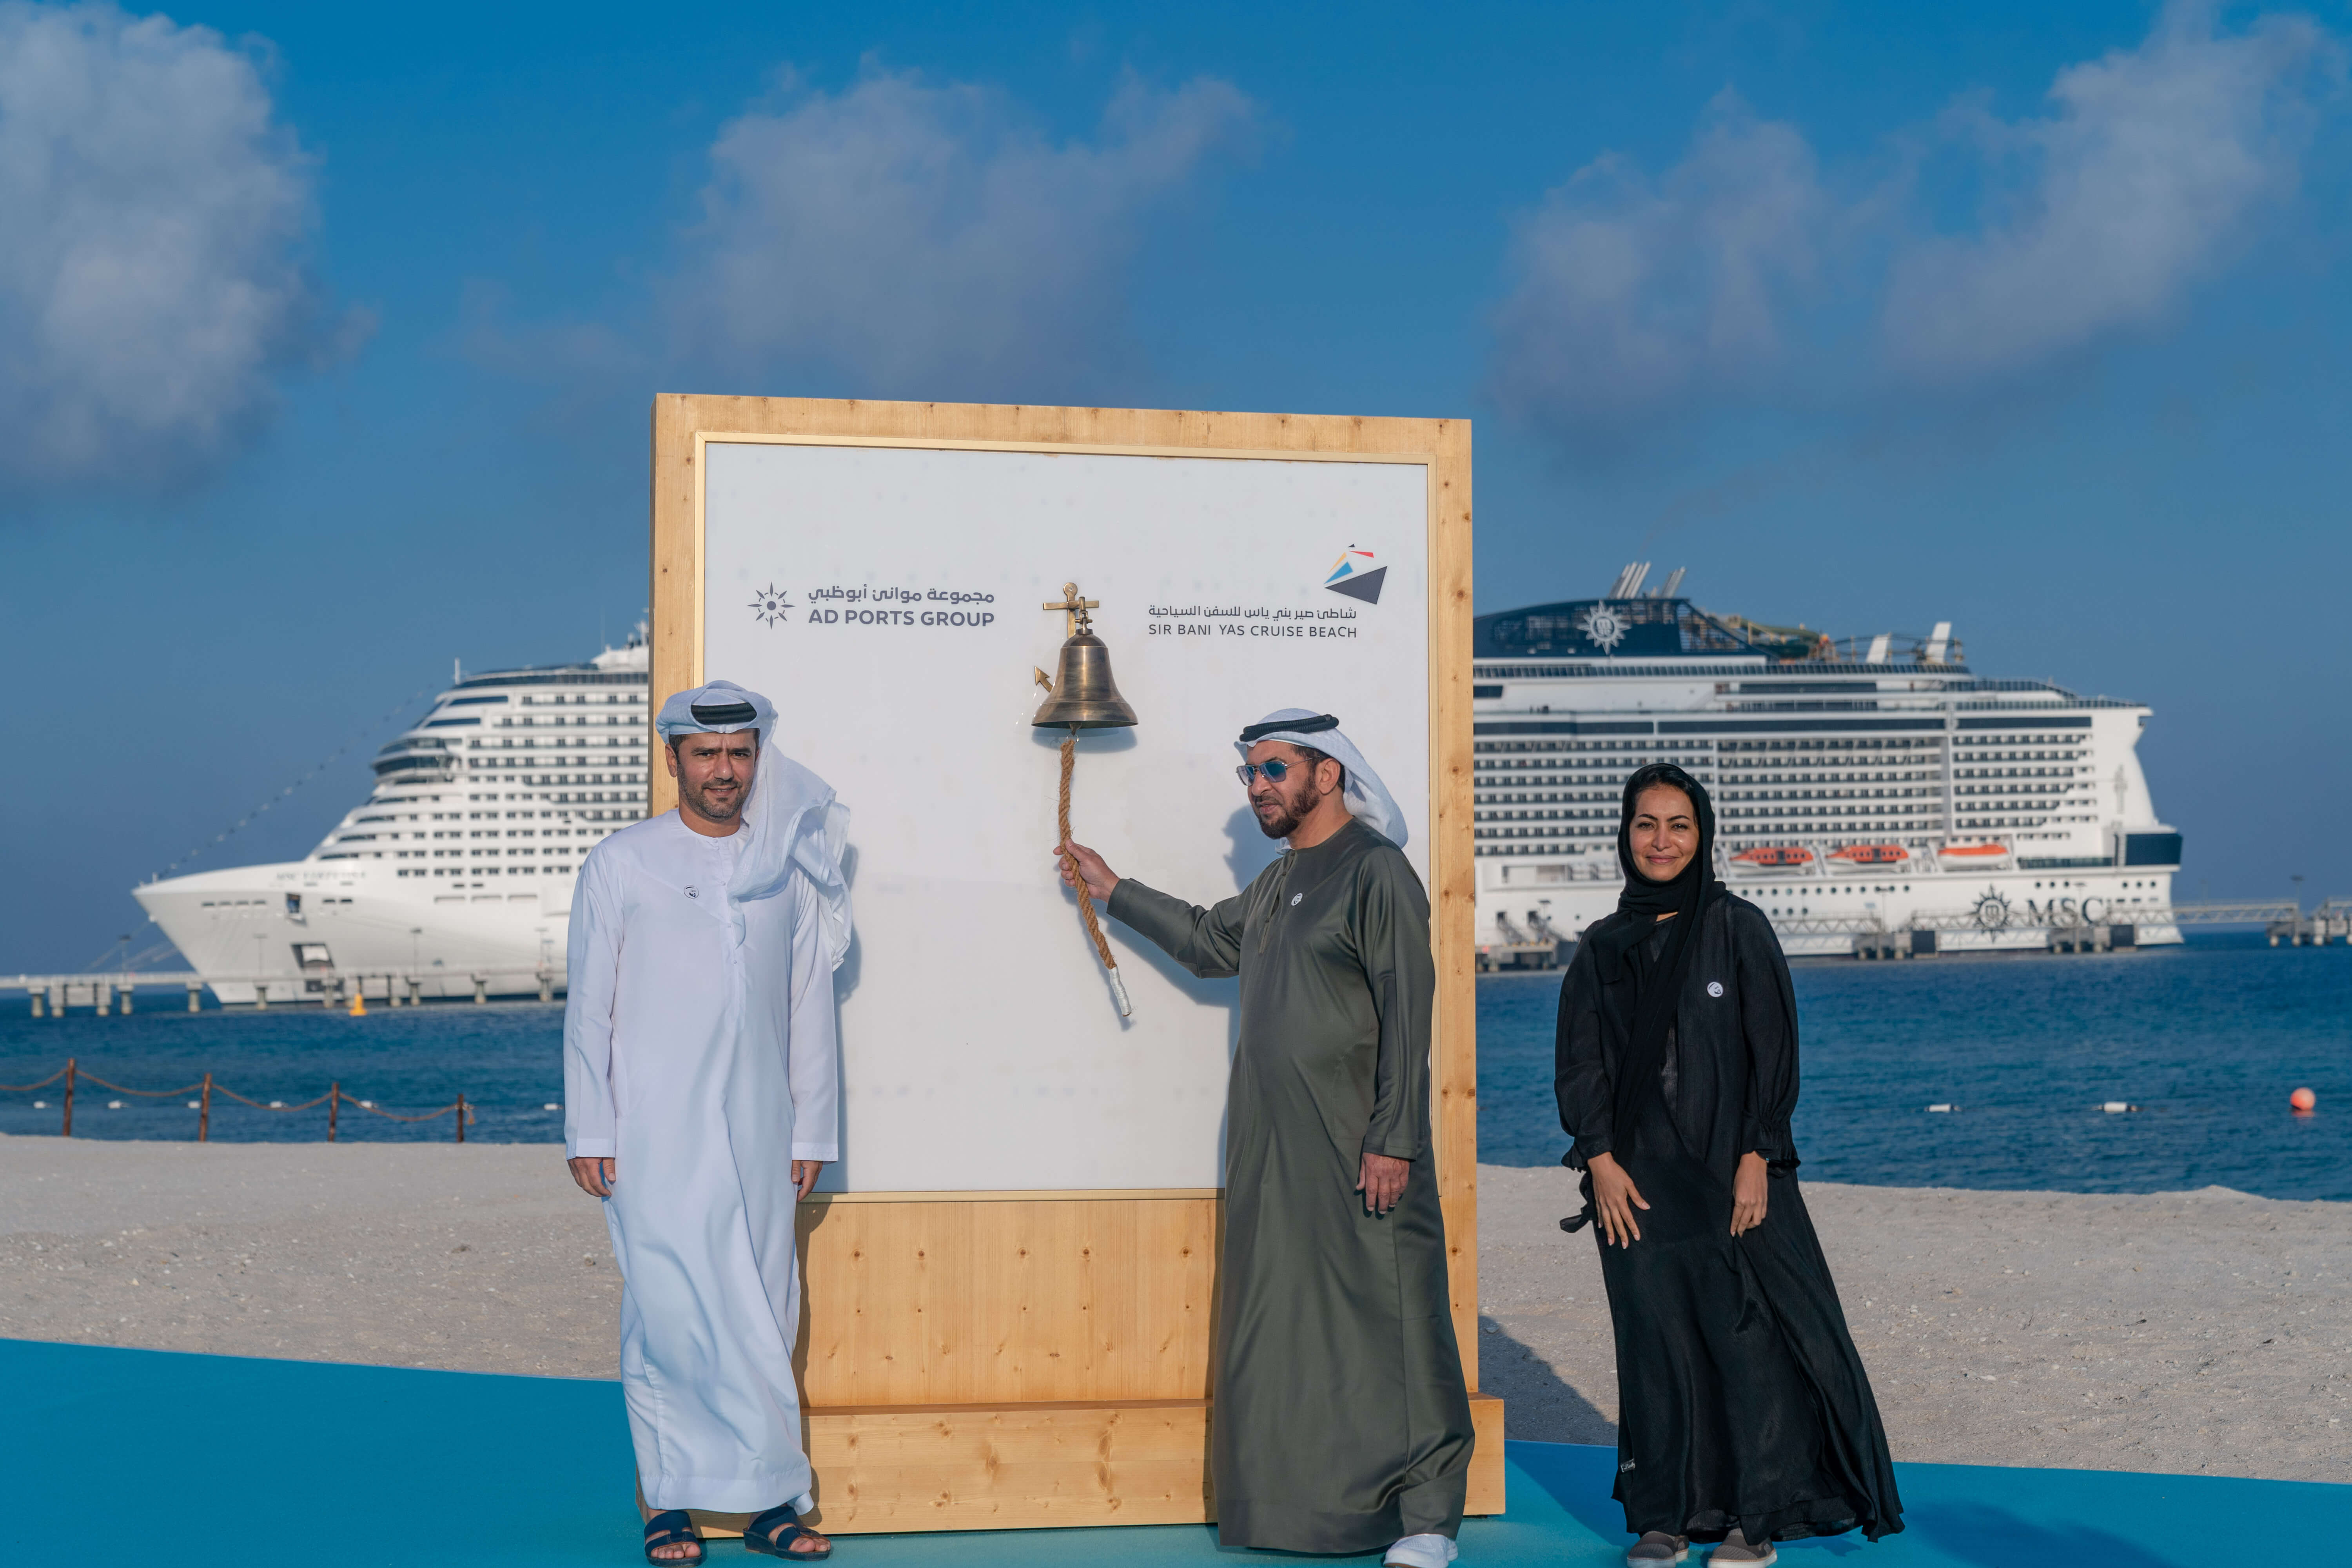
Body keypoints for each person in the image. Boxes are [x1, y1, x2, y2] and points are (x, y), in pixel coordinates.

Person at [1056, 708, 1474, 1568]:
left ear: (1327, 774)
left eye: (1273, 771)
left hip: (1361, 1142)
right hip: (1273, 1145)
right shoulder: (1285, 878)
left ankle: (1427, 1516)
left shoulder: (1377, 871)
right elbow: (1214, 942)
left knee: (1394, 1319)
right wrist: (1112, 887)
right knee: (1291, 1326)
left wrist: (1394, 1135)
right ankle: (1310, 1508)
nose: (1257, 788)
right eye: (1250, 774)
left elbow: (1408, 1009)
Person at [1553, 764, 1902, 1566]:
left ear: (1703, 833)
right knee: (1654, 1344)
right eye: (1647, 824)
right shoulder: (1603, 945)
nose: (1663, 840)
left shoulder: (1738, 926)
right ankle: (1664, 1516)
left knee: (1752, 1343)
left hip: (1733, 1171)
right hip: (1633, 1184)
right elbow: (1580, 1064)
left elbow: (1772, 1050)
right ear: (1626, 833)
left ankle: (1757, 1516)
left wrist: (1757, 1155)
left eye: (1678, 824)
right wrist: (1599, 1159)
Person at [564, 680, 852, 1564]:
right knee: (667, 1307)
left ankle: (770, 1497)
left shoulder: (787, 869)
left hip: (765, 1127)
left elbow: (811, 1005)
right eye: (706, 754)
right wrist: (591, 1129)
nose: (724, 770)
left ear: (756, 758)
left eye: (739, 753)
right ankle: (668, 1500)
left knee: (765, 1304)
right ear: (674, 759)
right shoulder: (622, 862)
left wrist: (811, 1134)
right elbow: (589, 1007)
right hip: (653, 1126)